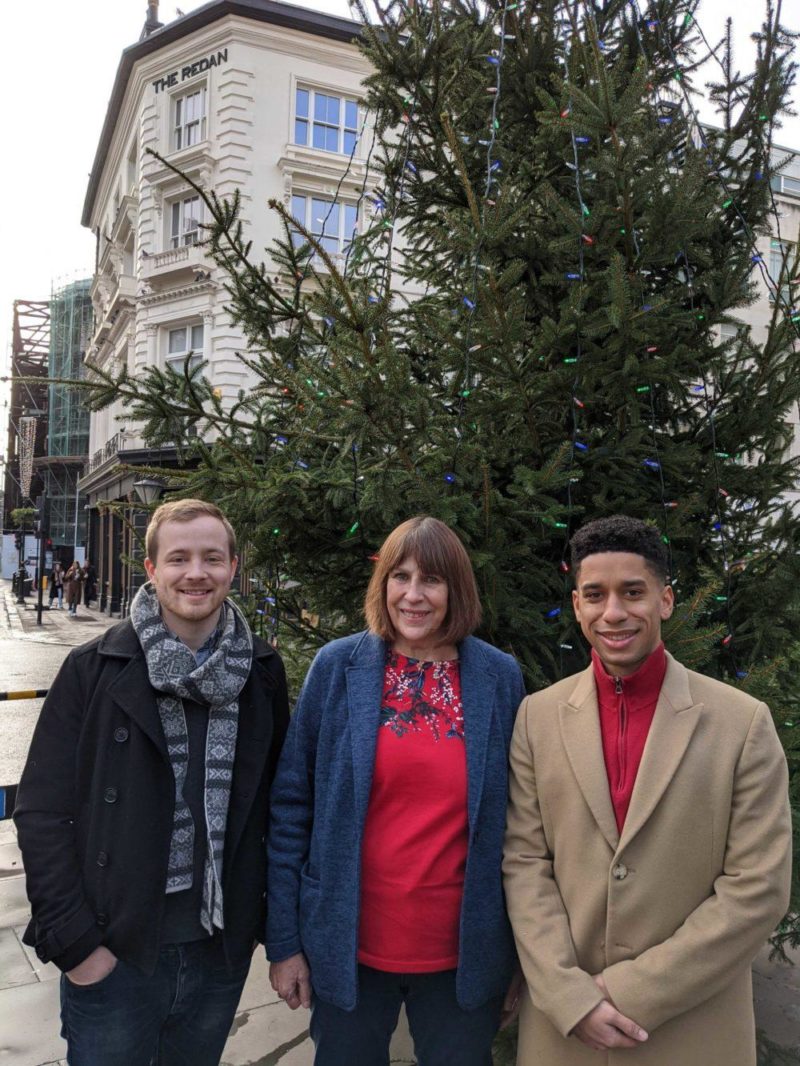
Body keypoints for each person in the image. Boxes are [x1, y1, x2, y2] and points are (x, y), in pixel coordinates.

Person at [503, 515, 792, 1066]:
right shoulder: (536, 718)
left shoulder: (743, 723)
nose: (613, 612)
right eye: (596, 595)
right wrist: (569, 994)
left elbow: (758, 888)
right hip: (567, 1028)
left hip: (692, 1027)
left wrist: (629, 992)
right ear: (578, 605)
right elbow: (523, 861)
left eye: (632, 592)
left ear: (665, 600)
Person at [14, 498, 290, 1066]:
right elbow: (42, 811)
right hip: (115, 949)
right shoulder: (94, 668)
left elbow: (278, 809)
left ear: (233, 567)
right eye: (179, 558)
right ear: (151, 569)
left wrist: (271, 932)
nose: (196, 573)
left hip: (219, 949)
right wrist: (76, 947)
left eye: (212, 558)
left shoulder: (261, 673)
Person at [267, 515, 526, 1066]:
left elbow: (522, 823)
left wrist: (519, 961)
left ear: (456, 590)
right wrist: (285, 942)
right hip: (347, 949)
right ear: (381, 583)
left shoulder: (498, 677)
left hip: (463, 957)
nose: (413, 594)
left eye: (431, 580)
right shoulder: (339, 668)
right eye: (399, 576)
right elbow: (292, 808)